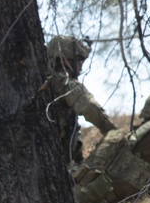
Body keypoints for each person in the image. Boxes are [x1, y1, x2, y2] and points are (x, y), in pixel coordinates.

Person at [45, 35, 117, 169]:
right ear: (66, 60)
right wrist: (113, 132)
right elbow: (89, 107)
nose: (81, 67)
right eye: (79, 61)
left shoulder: (46, 80)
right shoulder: (63, 82)